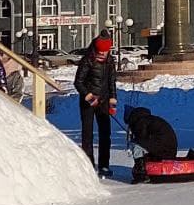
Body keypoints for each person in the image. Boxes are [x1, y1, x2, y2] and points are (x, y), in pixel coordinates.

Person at [74, 33, 117, 177]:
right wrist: (89, 96)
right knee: (88, 135)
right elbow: (78, 82)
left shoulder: (110, 61)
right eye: (101, 51)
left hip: (104, 101)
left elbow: (112, 82)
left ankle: (104, 165)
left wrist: (113, 100)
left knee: (105, 134)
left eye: (106, 51)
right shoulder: (87, 60)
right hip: (88, 102)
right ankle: (89, 165)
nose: (103, 54)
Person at [123, 105, 179, 183]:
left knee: (136, 145)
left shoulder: (140, 122)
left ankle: (141, 173)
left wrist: (133, 139)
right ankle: (145, 168)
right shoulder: (148, 119)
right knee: (143, 145)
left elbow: (141, 140)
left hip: (164, 150)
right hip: (170, 149)